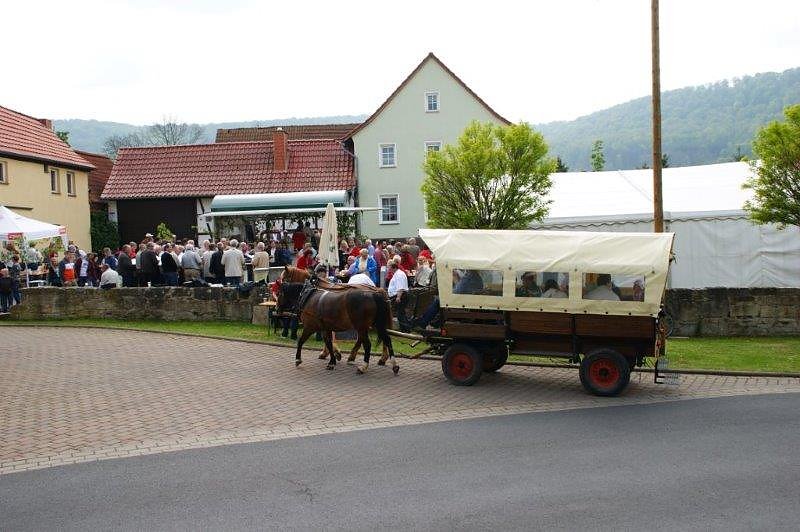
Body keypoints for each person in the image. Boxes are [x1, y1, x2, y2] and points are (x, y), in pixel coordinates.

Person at [387, 262, 410, 331]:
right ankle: (405, 328)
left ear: (393, 267)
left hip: (401, 296)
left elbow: (400, 287)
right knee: (401, 312)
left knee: (400, 313)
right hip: (399, 295)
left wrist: (398, 297)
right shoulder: (397, 274)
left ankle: (405, 329)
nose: (388, 269)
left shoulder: (399, 274)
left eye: (389, 267)